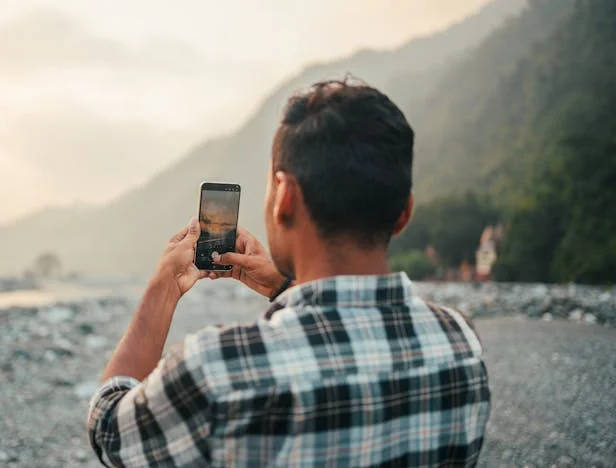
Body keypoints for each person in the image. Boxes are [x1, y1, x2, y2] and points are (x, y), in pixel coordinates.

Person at [87, 79, 491, 467]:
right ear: (404, 212)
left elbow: (111, 428)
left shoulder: (220, 368)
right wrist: (284, 287)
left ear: (285, 196)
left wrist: (163, 288)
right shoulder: (460, 343)